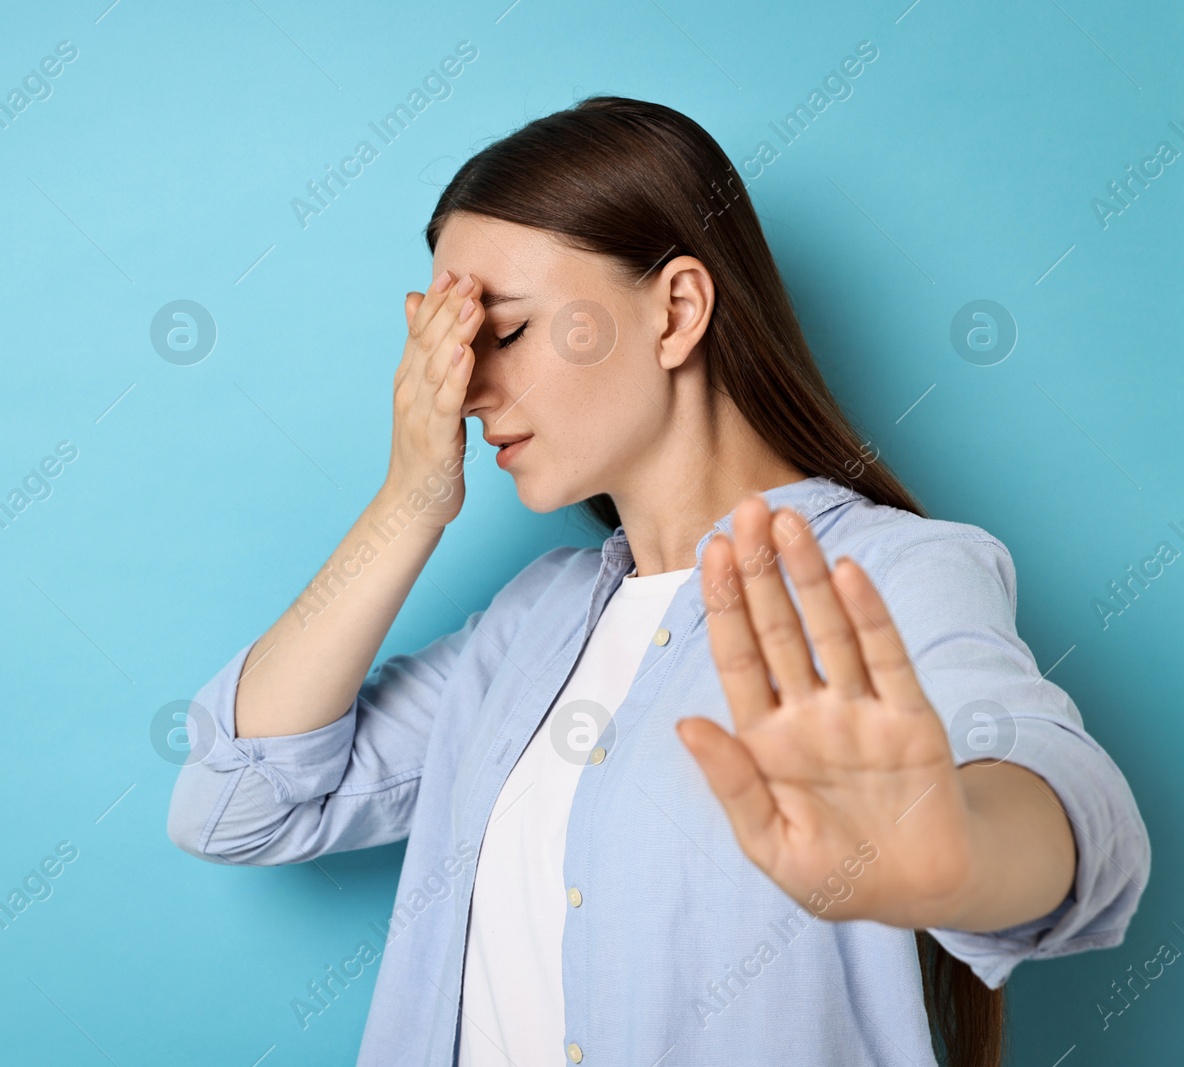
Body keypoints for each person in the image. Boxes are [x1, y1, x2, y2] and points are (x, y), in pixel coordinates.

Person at [166, 97, 1149, 1067]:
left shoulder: (889, 573)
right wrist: (408, 501)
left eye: (501, 334)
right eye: (449, 352)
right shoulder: (527, 626)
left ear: (675, 309)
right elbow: (237, 799)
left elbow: (1060, 795)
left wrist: (958, 858)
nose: (466, 393)